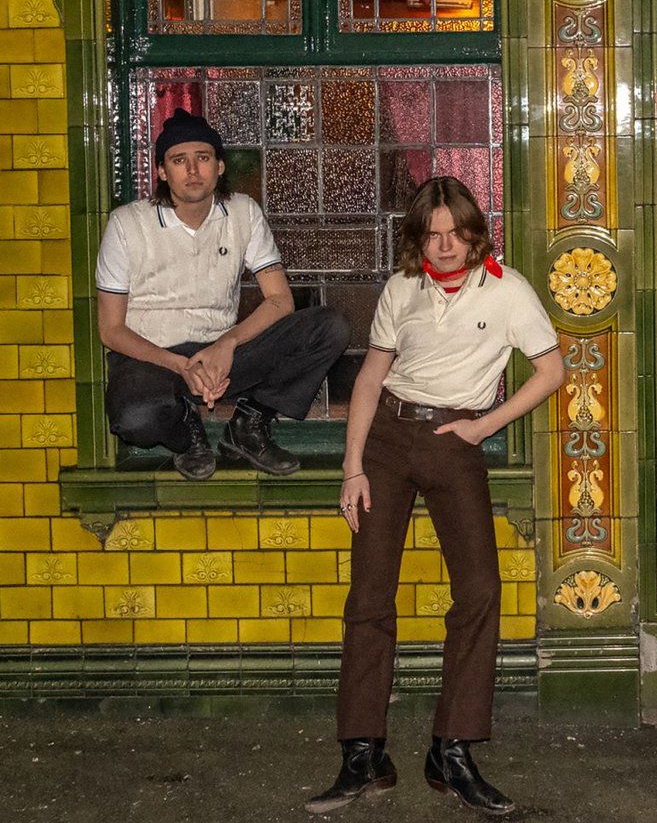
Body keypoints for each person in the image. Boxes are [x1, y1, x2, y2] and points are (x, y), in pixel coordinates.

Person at [306, 176, 563, 816]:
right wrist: (352, 467)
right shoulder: (402, 288)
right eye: (432, 235)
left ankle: (452, 750)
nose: (445, 246)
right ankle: (363, 752)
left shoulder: (508, 290)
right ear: (417, 239)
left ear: (474, 235)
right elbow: (371, 377)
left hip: (455, 440)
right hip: (389, 440)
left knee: (479, 589)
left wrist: (483, 426)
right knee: (369, 594)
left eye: (455, 234)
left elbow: (552, 370)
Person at [96, 108, 350, 479]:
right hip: (153, 357)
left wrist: (226, 344)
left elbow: (280, 300)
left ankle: (249, 423)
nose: (192, 170)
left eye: (202, 158)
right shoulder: (127, 223)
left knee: (329, 327)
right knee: (135, 419)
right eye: (178, 160)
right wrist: (179, 365)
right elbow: (111, 330)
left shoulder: (243, 212)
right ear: (162, 172)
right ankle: (185, 430)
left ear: (219, 166)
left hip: (220, 353)